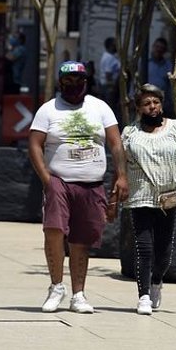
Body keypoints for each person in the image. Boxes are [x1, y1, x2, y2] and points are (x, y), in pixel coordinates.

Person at [28, 61, 129, 314]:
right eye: (68, 81)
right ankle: (56, 286)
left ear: (87, 83)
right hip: (59, 180)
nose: (74, 86)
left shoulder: (100, 107)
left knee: (82, 239)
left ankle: (78, 294)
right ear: (60, 83)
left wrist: (121, 176)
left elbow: (116, 144)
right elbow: (35, 145)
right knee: (54, 229)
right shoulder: (48, 110)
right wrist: (47, 180)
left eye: (79, 81)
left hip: (92, 183)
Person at [116, 84, 176, 315]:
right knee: (144, 248)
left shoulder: (175, 128)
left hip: (168, 198)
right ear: (138, 108)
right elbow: (121, 164)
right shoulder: (130, 133)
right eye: (146, 103)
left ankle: (156, 281)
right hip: (140, 197)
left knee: (164, 251)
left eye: (155, 102)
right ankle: (143, 295)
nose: (152, 107)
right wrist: (119, 184)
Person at [146, 38, 173, 103]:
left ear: (164, 50)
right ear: (153, 47)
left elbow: (170, 86)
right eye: (157, 47)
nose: (159, 50)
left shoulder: (168, 65)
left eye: (161, 48)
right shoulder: (145, 64)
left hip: (162, 103)